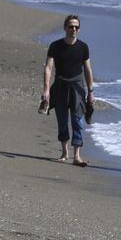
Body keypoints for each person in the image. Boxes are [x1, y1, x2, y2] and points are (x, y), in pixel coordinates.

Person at [41, 15, 95, 166]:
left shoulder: (83, 47)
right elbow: (48, 67)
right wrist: (46, 90)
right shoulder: (55, 46)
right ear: (65, 28)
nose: (74, 29)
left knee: (77, 120)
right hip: (60, 86)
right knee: (62, 120)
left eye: (76, 27)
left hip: (78, 86)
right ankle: (64, 153)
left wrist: (91, 91)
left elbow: (88, 70)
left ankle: (77, 156)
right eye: (71, 26)